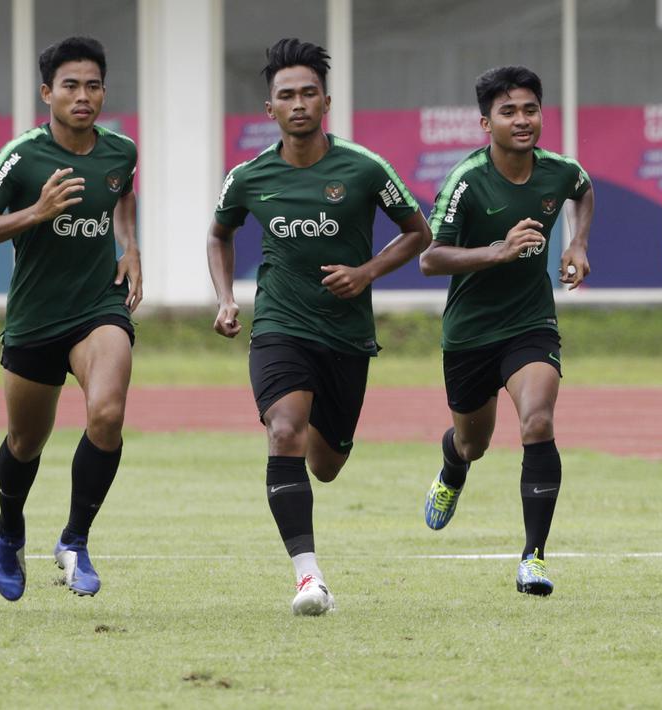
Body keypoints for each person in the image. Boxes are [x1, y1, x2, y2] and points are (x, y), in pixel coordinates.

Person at [207, 38, 431, 615]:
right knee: (284, 429)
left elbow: (417, 232)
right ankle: (310, 579)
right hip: (279, 323)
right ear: (270, 109)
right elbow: (218, 233)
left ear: (326, 101)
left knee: (326, 464)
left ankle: (309, 457)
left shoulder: (362, 168)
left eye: (309, 93)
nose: (298, 103)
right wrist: (227, 299)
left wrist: (366, 273)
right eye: (287, 95)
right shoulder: (249, 177)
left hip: (346, 336)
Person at [419, 65, 594, 597]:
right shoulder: (467, 181)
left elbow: (582, 191)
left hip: (530, 325)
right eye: (508, 111)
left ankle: (533, 558)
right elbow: (430, 258)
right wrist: (497, 252)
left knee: (537, 422)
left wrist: (577, 243)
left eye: (530, 109)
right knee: (474, 443)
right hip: (470, 334)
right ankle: (453, 463)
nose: (522, 120)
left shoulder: (559, 171)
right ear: (484, 122)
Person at [0, 37, 140, 601]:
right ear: (47, 92)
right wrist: (36, 213)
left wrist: (130, 246)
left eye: (93, 85)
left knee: (107, 413)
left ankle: (75, 539)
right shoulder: (22, 156)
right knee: (25, 441)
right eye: (70, 85)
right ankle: (8, 532)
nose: (83, 96)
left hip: (98, 307)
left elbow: (121, 195)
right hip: (34, 318)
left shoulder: (121, 151)